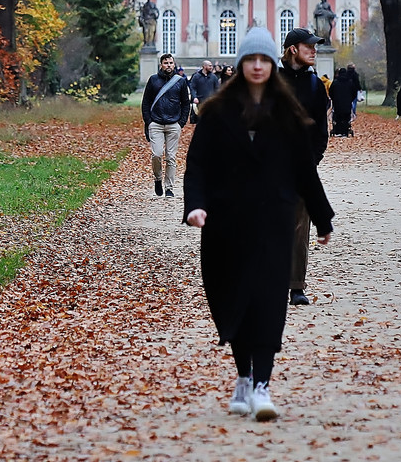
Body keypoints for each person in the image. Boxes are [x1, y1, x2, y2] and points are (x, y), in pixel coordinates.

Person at [184, 26, 334, 422]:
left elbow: (304, 169)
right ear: (239, 65)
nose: (256, 66)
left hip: (272, 221)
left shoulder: (287, 114)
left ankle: (263, 386)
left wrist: (322, 217)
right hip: (226, 224)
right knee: (234, 300)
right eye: (249, 60)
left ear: (271, 64)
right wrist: (195, 206)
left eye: (263, 60)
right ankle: (244, 377)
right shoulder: (216, 112)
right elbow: (197, 164)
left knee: (268, 301)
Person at [279, 27, 330, 306]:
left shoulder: (315, 86)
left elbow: (321, 131)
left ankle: (296, 286)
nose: (314, 50)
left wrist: (313, 160)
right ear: (292, 49)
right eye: (308, 46)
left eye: (315, 46)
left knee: (299, 228)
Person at [140, 53, 195, 198]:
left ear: (174, 64)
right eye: (166, 63)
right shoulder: (153, 80)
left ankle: (169, 187)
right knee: (156, 154)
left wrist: (181, 122)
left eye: (171, 63)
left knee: (171, 157)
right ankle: (158, 179)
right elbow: (145, 102)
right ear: (161, 65)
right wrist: (149, 121)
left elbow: (185, 103)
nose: (169, 65)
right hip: (156, 123)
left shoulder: (180, 82)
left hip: (173, 124)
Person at [329, 65, 359, 137]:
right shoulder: (350, 82)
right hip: (347, 103)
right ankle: (345, 131)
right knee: (346, 117)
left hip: (337, 103)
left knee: (338, 117)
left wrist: (334, 99)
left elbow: (331, 92)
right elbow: (354, 92)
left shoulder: (335, 82)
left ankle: (337, 131)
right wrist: (350, 99)